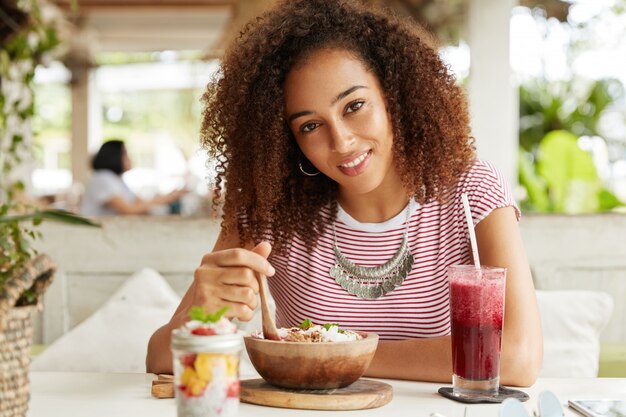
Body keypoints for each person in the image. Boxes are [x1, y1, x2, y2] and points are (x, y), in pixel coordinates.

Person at [147, 0, 543, 385]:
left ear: (393, 95)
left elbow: (517, 357)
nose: (342, 141)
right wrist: (201, 309)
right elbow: (160, 360)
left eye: (354, 105)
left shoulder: (471, 191)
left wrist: (333, 355)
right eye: (309, 126)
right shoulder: (269, 210)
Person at [80, 140, 187, 216]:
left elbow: (141, 204)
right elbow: (128, 210)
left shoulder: (118, 180)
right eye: (125, 155)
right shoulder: (102, 178)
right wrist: (165, 199)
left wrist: (168, 197)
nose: (130, 159)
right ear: (114, 157)